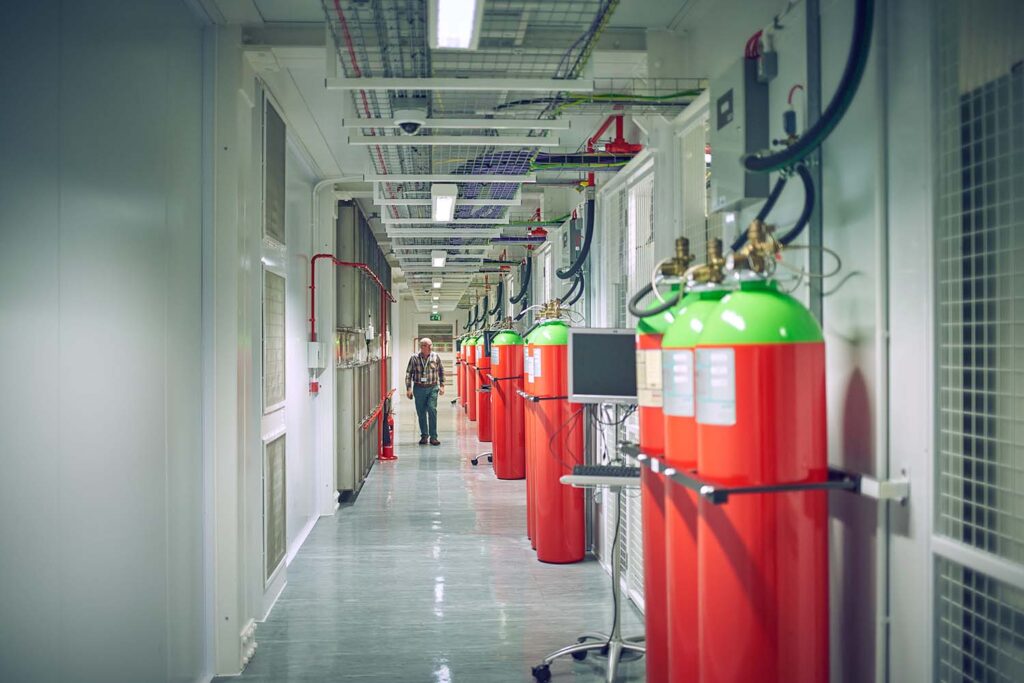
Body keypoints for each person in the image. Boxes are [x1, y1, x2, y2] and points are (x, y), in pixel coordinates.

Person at [405, 337, 445, 445]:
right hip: (419, 388)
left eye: (431, 345)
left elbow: (441, 371)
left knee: (432, 410)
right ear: (422, 347)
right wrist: (408, 388)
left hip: (432, 388)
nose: (431, 347)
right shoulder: (414, 358)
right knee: (421, 413)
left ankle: (433, 437)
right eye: (428, 345)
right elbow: (408, 374)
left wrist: (442, 385)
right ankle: (424, 435)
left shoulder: (435, 356)